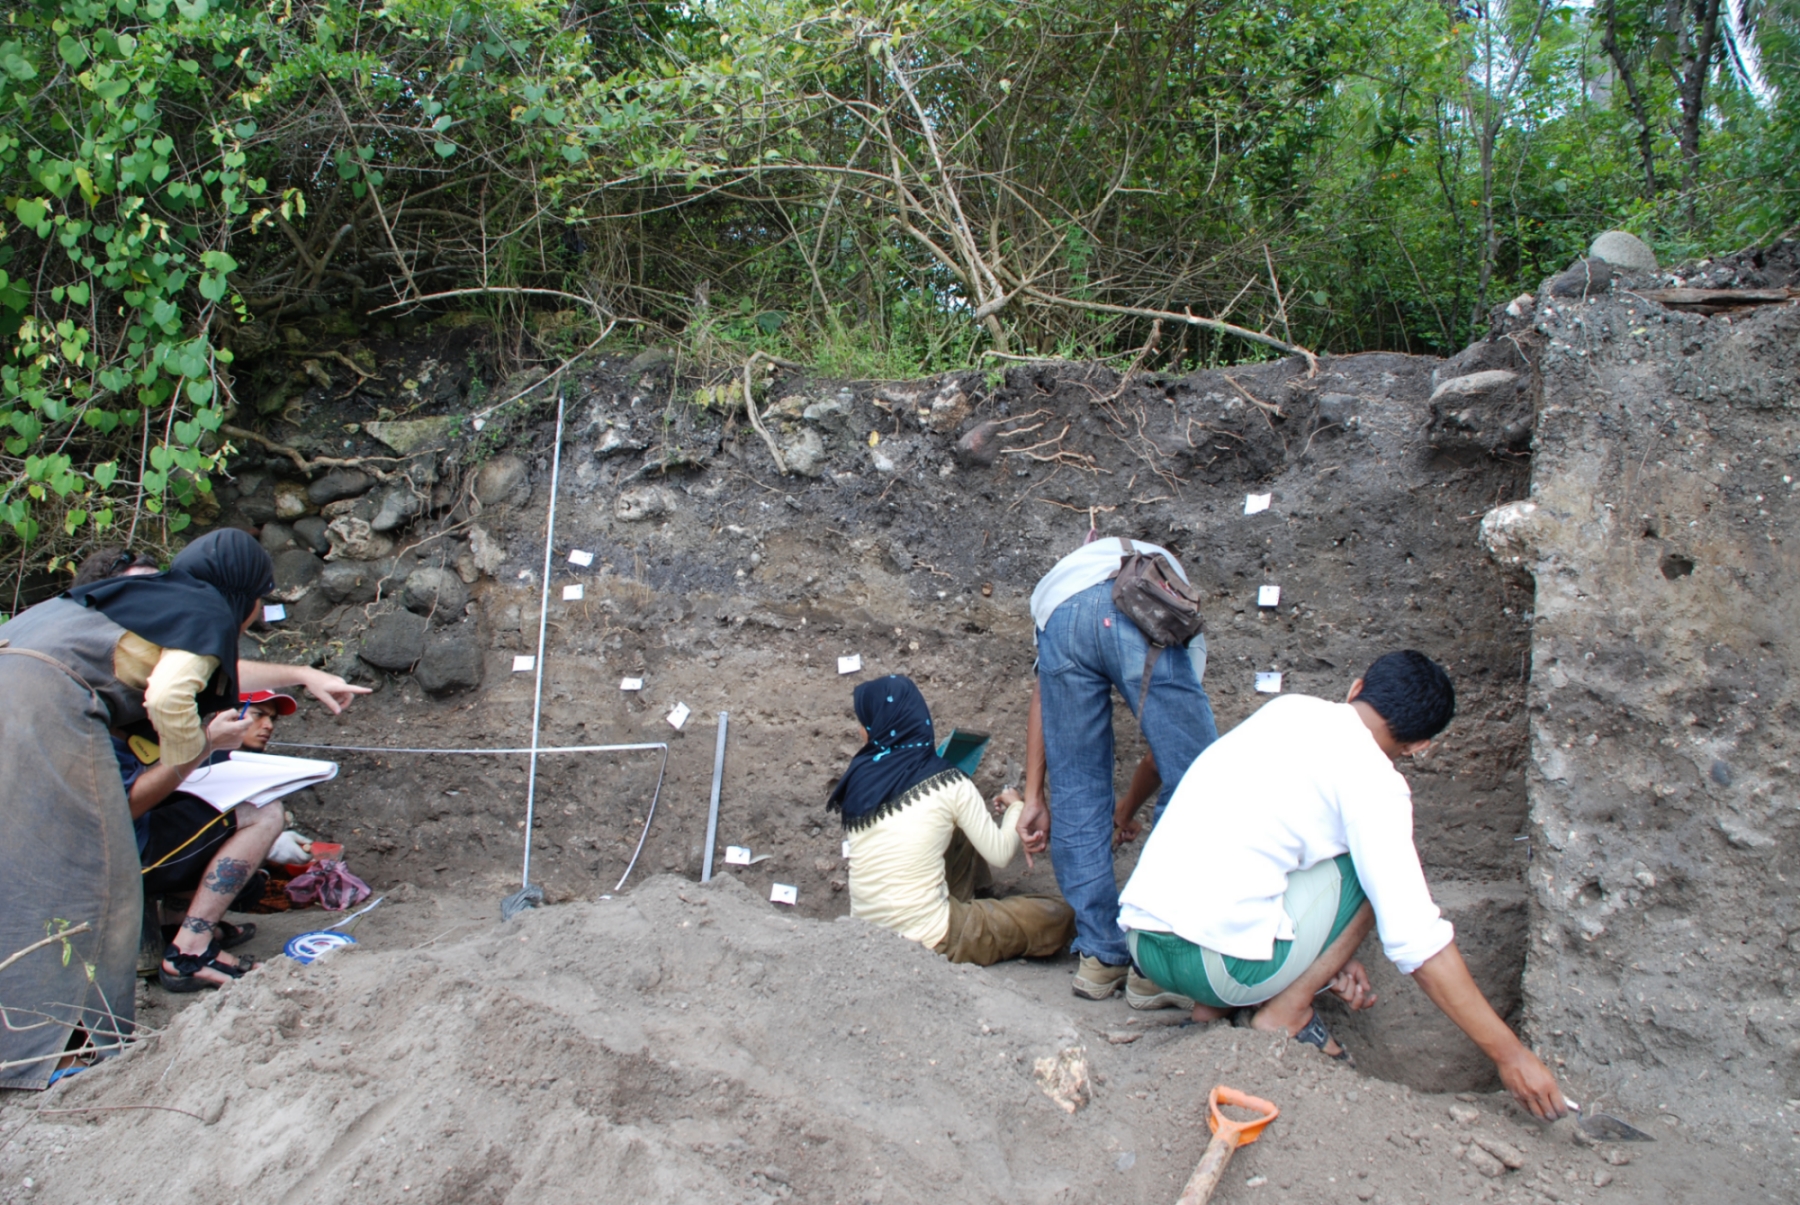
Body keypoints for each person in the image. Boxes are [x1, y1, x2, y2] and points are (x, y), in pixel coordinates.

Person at [1117, 651, 1569, 1120]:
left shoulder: (1286, 709)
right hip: (1215, 967)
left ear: (1355, 689)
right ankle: (1286, 1012)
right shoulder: (1377, 783)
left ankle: (1211, 1013)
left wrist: (1328, 951)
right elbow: (1415, 938)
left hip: (1143, 942)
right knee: (1373, 870)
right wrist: (1510, 1055)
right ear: (1418, 746)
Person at [1021, 531, 1219, 1005]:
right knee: (1202, 780)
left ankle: (1099, 957)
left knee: (1077, 788)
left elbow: (1043, 699)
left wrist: (1034, 796)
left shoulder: (1069, 574)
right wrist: (1131, 808)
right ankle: (1155, 958)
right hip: (1138, 608)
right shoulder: (1165, 583)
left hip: (1058, 616)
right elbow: (1174, 758)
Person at [831, 676, 1074, 965]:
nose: (860, 731)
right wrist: (1016, 806)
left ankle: (975, 902)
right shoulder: (948, 782)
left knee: (954, 829)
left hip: (866, 934)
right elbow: (1000, 854)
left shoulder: (859, 780)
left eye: (864, 723)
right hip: (932, 938)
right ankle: (977, 918)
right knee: (1057, 914)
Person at [122, 691, 299, 989]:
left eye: (273, 719)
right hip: (125, 856)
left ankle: (176, 925)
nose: (268, 725)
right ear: (223, 716)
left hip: (133, 846)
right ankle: (189, 951)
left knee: (219, 831)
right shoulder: (205, 757)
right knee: (264, 813)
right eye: (258, 715)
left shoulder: (222, 757)